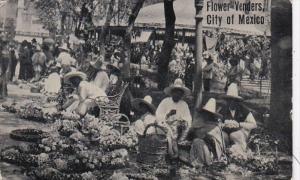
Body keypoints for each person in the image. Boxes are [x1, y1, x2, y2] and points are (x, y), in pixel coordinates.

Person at [156, 78, 192, 158]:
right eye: (176, 92)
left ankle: (177, 147)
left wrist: (182, 121)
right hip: (165, 126)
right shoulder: (165, 101)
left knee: (180, 127)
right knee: (168, 130)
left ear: (182, 95)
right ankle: (172, 151)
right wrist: (167, 115)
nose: (177, 95)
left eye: (179, 93)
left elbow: (188, 118)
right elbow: (158, 115)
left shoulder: (184, 104)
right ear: (172, 93)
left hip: (178, 128)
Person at [219, 83, 257, 153]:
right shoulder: (223, 110)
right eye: (229, 100)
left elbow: (254, 124)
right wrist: (223, 125)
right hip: (226, 132)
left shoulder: (243, 110)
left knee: (235, 135)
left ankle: (241, 152)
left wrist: (239, 124)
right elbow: (218, 122)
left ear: (237, 101)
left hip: (240, 133)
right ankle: (224, 153)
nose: (230, 102)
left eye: (233, 100)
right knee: (222, 136)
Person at [188, 98, 225, 167]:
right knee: (196, 141)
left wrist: (202, 135)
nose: (206, 115)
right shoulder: (200, 122)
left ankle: (203, 162)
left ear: (212, 115)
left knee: (197, 141)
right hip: (203, 147)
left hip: (214, 151)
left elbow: (213, 141)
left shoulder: (215, 126)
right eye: (205, 112)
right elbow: (192, 132)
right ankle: (200, 161)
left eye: (208, 113)